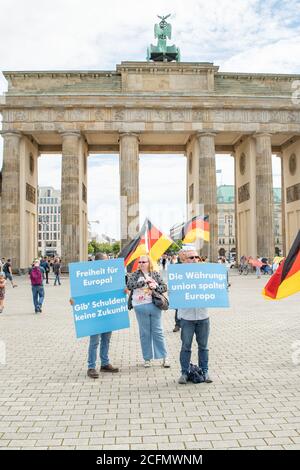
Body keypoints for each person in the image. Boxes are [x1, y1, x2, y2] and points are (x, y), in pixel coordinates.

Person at [71, 252, 119, 378]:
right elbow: (81, 292)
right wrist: (74, 300)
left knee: (106, 340)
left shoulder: (110, 275)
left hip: (108, 312)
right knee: (94, 342)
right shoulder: (88, 276)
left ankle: (105, 363)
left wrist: (123, 292)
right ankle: (91, 367)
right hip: (95, 313)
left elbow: (116, 290)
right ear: (97, 262)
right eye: (105, 261)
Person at [127, 255, 170, 368]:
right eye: (139, 262)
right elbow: (129, 285)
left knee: (158, 332)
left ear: (149, 263)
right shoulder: (135, 274)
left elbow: (164, 287)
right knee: (144, 333)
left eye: (144, 262)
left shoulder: (155, 274)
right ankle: (147, 358)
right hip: (140, 306)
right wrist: (143, 283)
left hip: (154, 305)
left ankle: (164, 357)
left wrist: (155, 288)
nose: (141, 264)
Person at [177, 247, 213, 384]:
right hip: (187, 317)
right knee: (186, 346)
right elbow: (174, 294)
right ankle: (184, 373)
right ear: (184, 260)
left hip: (203, 315)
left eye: (197, 257)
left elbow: (212, 289)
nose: (195, 260)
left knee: (203, 346)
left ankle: (205, 371)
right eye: (191, 258)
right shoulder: (178, 275)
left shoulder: (205, 274)